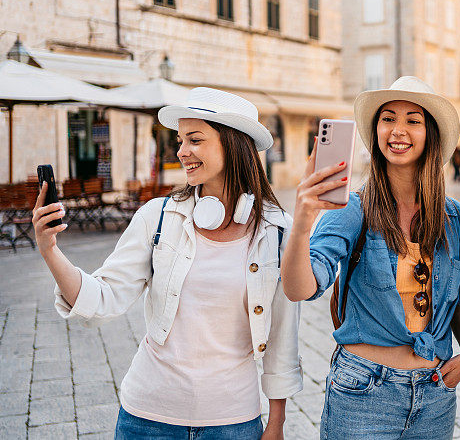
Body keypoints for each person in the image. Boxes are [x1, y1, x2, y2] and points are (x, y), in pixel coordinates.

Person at [32, 87, 302, 440]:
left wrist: (276, 423)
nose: (181, 151)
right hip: (147, 418)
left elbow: (282, 337)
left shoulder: (278, 231)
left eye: (195, 139)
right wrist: (50, 250)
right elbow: (104, 297)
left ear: (233, 145)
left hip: (234, 421)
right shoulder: (157, 217)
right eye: (180, 140)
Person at [281, 76, 460, 440]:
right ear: (375, 131)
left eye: (412, 120)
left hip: (435, 396)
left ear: (430, 134)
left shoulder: (453, 216)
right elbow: (300, 289)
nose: (397, 130)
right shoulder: (352, 208)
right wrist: (302, 223)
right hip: (364, 394)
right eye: (388, 118)